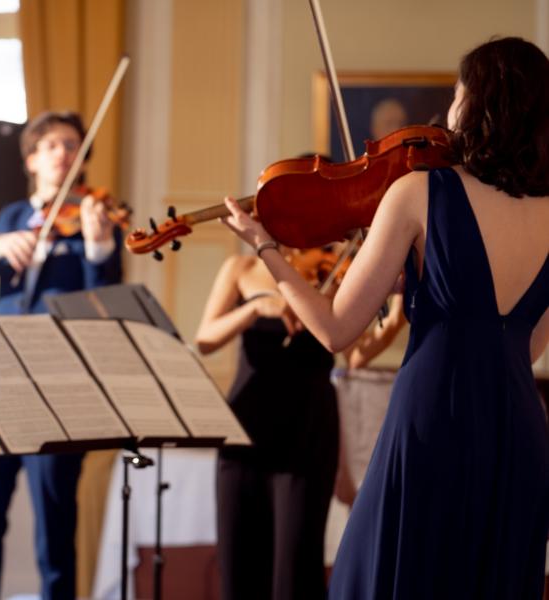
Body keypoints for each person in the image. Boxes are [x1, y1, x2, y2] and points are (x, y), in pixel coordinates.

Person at [221, 37, 549, 598]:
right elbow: (526, 345)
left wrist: (265, 247)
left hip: (433, 415)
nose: (450, 110)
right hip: (518, 423)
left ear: (479, 103)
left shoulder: (420, 191)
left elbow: (332, 330)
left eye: (457, 93)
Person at [0, 111, 123, 600]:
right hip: (0, 385)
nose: (63, 153)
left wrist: (97, 248)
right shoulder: (11, 215)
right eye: (52, 145)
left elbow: (102, 308)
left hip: (59, 389)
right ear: (32, 159)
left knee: (55, 526)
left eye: (72, 145)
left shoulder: (92, 216)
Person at [195, 247, 338, 600]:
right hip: (244, 430)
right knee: (238, 568)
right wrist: (254, 308)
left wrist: (395, 316)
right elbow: (205, 339)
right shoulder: (240, 266)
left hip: (307, 432)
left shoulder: (333, 270)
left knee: (296, 572)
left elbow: (357, 349)